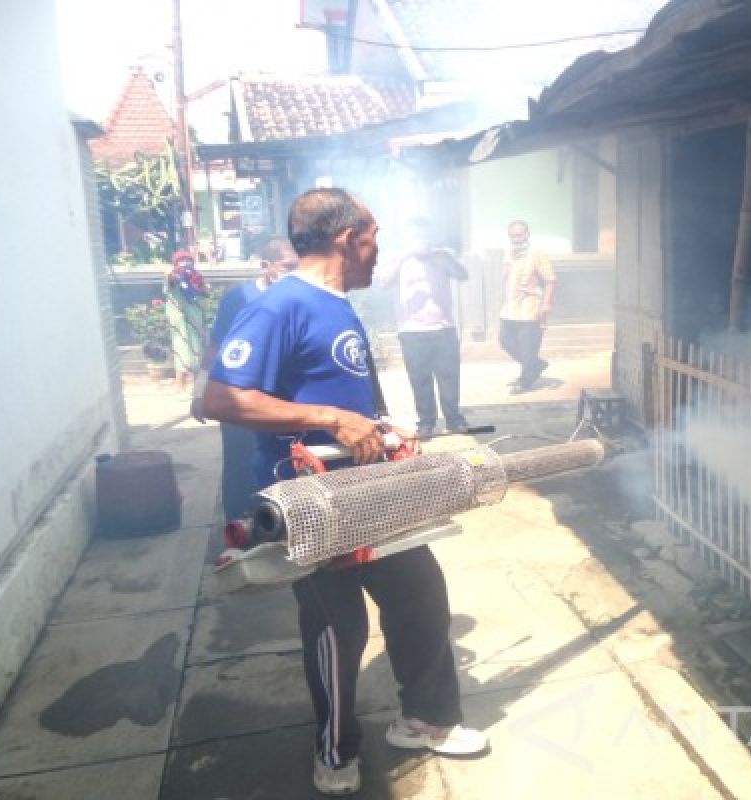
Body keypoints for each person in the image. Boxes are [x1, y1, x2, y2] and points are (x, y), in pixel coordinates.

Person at [202, 189, 487, 797]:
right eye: (374, 239)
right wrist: (332, 419)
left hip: (368, 487)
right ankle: (334, 750)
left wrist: (381, 427)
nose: (380, 254)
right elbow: (219, 399)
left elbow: (346, 391)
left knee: (420, 591)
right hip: (310, 497)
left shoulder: (340, 304)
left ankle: (427, 719)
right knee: (340, 626)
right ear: (347, 237)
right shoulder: (281, 306)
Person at [190, 236, 297, 521]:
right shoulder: (238, 298)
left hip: (281, 400)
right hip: (238, 397)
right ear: (266, 266)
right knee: (240, 464)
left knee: (282, 465)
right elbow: (216, 346)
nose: (294, 272)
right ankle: (239, 530)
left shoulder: (298, 297)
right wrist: (200, 390)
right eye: (288, 266)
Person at [375, 218, 469, 439]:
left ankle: (454, 419)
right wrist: (405, 255)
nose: (421, 240)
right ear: (407, 238)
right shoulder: (397, 257)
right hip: (411, 330)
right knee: (420, 379)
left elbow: (463, 275)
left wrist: (446, 256)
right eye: (415, 235)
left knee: (449, 377)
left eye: (424, 235)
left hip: (443, 328)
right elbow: (383, 283)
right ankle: (426, 422)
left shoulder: (442, 256)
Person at [499, 220, 556, 394]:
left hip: (529, 309)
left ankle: (525, 381)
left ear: (527, 234)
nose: (516, 239)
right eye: (513, 236)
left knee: (527, 347)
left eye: (520, 235)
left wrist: (546, 304)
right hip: (509, 309)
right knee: (505, 341)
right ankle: (536, 365)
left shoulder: (537, 254)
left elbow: (551, 280)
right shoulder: (509, 254)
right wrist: (510, 261)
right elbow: (506, 277)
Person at [164, 249, 209, 392]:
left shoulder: (197, 278)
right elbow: (169, 283)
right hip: (180, 323)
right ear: (175, 263)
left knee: (197, 351)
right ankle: (180, 385)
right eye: (181, 261)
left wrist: (200, 288)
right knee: (181, 350)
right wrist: (175, 274)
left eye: (188, 260)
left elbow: (204, 296)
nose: (185, 264)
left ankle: (197, 385)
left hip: (195, 322)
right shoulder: (173, 277)